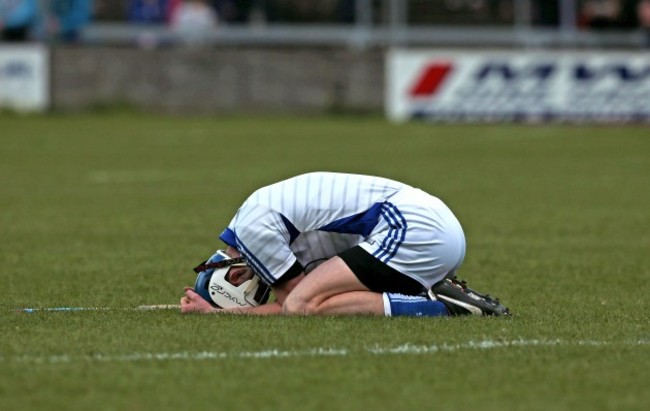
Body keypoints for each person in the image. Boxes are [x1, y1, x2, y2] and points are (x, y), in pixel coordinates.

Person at [180, 172, 510, 317]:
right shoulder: (254, 215)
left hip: (414, 227)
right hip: (432, 225)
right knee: (323, 297)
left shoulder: (253, 230)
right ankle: (437, 294)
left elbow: (292, 305)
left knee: (303, 305)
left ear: (236, 279)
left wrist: (219, 315)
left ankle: (443, 307)